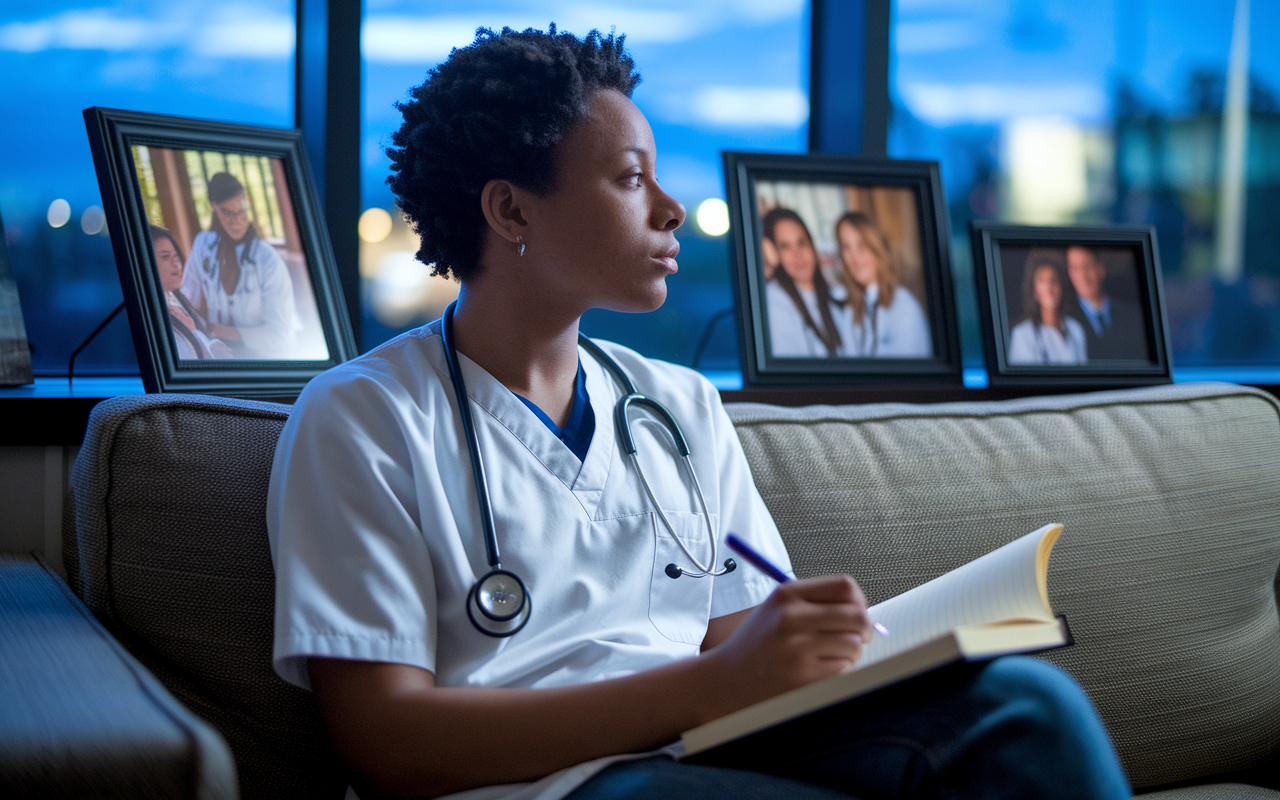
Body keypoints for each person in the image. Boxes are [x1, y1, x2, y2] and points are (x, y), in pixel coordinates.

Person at [266, 25, 1131, 800]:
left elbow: (736, 638)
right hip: (547, 786)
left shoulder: (676, 404)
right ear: (510, 208)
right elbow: (385, 744)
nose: (671, 209)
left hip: (708, 744)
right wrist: (713, 688)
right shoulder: (362, 419)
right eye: (631, 179)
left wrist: (819, 648)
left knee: (1022, 704)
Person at [181, 171, 301, 359]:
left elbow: (282, 337)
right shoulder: (203, 245)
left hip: (265, 360)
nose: (235, 221)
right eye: (227, 212)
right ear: (214, 208)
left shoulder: (268, 260)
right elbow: (188, 297)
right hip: (220, 353)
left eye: (241, 211)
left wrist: (217, 330)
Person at [833, 212, 931, 358]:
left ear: (876, 246)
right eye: (846, 247)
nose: (854, 257)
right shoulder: (850, 308)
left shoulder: (903, 306)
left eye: (862, 244)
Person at [761, 208, 851, 358]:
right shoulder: (774, 300)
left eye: (801, 243)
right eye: (785, 246)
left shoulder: (835, 296)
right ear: (774, 254)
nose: (797, 254)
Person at [151, 224, 231, 360]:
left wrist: (213, 345)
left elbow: (201, 332)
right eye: (165, 257)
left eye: (176, 255)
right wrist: (195, 334)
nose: (177, 264)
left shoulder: (176, 295)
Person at [1066, 245, 1148, 361]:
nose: (1082, 276)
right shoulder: (1064, 319)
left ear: (1100, 269)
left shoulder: (1133, 316)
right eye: (1075, 268)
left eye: (1087, 266)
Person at [1008, 250, 1088, 365]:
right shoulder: (1022, 334)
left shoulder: (1076, 329)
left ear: (1061, 287)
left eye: (1053, 280)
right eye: (1042, 281)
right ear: (1034, 290)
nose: (1049, 288)